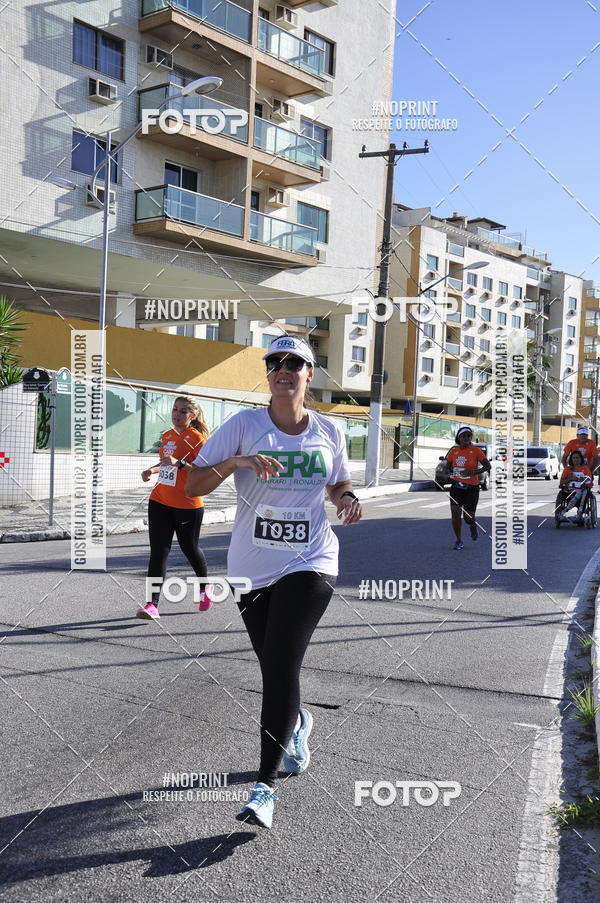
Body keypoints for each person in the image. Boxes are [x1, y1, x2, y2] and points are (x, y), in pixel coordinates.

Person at [185, 335, 362, 829]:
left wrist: (346, 499)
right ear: (268, 373)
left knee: (282, 663)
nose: (283, 369)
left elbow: (338, 482)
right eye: (275, 362)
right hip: (251, 565)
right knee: (274, 668)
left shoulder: (329, 429)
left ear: (309, 373)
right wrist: (236, 462)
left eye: (294, 363)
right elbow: (193, 483)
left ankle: (264, 788)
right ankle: (298, 722)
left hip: (312, 560)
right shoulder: (244, 426)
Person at [138, 396, 211, 620]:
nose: (177, 414)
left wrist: (180, 464)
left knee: (190, 548)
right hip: (159, 500)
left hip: (188, 504)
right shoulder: (167, 435)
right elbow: (166, 463)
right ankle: (152, 604)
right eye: (175, 409)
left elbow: (204, 471)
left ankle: (204, 588)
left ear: (193, 415)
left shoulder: (197, 439)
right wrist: (152, 470)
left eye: (183, 411)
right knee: (158, 552)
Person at [441, 426, 491, 550]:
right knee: (455, 514)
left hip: (472, 487)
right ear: (459, 438)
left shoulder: (476, 451)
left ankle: (472, 524)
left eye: (469, 436)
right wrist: (448, 471)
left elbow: (487, 466)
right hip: (456, 486)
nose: (466, 438)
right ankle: (458, 540)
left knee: (468, 518)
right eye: (463, 436)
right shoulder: (454, 451)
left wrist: (473, 472)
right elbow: (447, 467)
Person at [559, 450, 592, 522]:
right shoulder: (567, 469)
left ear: (581, 459)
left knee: (584, 492)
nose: (576, 459)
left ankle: (578, 513)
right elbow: (561, 482)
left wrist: (583, 479)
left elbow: (589, 481)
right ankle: (568, 512)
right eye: (574, 458)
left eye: (577, 458)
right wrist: (571, 478)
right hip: (570, 490)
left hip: (582, 489)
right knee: (578, 493)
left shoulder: (585, 469)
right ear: (571, 459)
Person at [561, 426, 599, 491]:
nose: (584, 436)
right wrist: (567, 470)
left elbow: (596, 458)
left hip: (587, 470)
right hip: (574, 470)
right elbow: (564, 458)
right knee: (569, 488)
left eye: (585, 435)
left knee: (586, 489)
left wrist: (591, 470)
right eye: (582, 435)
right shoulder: (572, 443)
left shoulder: (591, 443)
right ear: (577, 435)